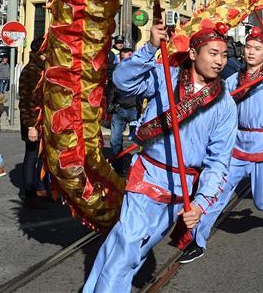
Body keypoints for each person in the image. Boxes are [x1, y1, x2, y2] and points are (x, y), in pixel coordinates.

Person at [83, 22, 237, 292]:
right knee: (129, 242)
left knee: (133, 248)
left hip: (181, 188)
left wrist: (200, 204)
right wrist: (151, 47)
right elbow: (123, 82)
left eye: (223, 55)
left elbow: (218, 161)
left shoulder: (225, 104)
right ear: (193, 53)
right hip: (148, 174)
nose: (219, 61)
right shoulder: (167, 76)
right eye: (213, 53)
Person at [186, 27, 263, 263]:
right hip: (236, 147)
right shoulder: (231, 80)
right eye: (248, 47)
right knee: (214, 195)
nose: (251, 52)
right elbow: (218, 108)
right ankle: (197, 240)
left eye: (257, 48)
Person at [18, 37, 50, 208]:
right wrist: (31, 126)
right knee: (31, 157)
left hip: (47, 122)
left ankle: (41, 187)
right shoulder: (30, 70)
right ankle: (29, 192)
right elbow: (25, 101)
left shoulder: (47, 69)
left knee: (43, 157)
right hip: (33, 122)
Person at [108, 46, 142, 173]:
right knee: (115, 141)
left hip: (134, 110)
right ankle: (118, 168)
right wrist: (110, 106)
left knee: (139, 141)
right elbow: (110, 88)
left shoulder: (139, 70)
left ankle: (137, 170)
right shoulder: (116, 71)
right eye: (124, 58)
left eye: (129, 57)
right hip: (119, 110)